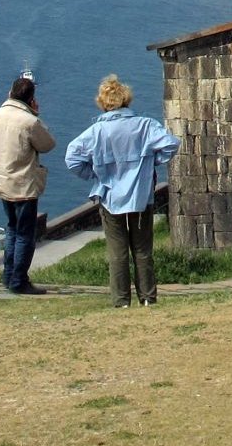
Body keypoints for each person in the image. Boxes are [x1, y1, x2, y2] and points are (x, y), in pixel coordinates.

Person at [65, 75, 179, 307]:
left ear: (103, 103)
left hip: (109, 196)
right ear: (127, 100)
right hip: (140, 194)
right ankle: (147, 298)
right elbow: (171, 144)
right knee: (142, 250)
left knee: (117, 253)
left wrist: (94, 175)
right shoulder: (145, 126)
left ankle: (121, 300)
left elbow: (72, 157)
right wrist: (151, 161)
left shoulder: (96, 132)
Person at [0, 74, 55, 295]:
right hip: (24, 185)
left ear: (10, 93)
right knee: (25, 233)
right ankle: (19, 280)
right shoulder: (29, 121)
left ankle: (8, 275)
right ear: (31, 98)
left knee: (12, 229)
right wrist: (35, 114)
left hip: (2, 181)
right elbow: (47, 145)